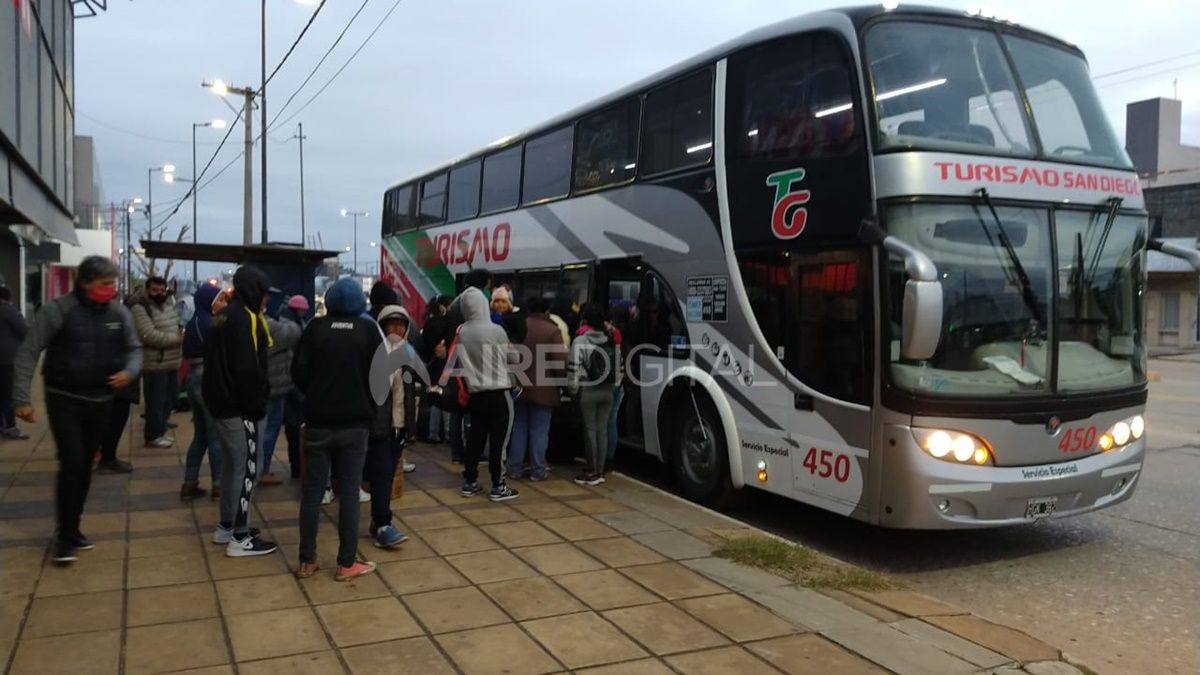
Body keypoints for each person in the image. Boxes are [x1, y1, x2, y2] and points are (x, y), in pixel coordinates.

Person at [13, 256, 142, 563]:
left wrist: (129, 371)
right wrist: (21, 399)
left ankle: (73, 526)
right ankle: (65, 535)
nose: (111, 289)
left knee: (84, 466)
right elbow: (28, 352)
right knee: (71, 461)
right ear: (85, 282)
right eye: (105, 284)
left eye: (113, 283)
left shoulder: (118, 313)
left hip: (101, 401)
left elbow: (134, 349)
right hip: (64, 398)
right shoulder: (57, 311)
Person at [291, 277, 383, 580]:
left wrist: (315, 394)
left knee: (313, 492)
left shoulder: (315, 328)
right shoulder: (368, 330)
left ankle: (307, 560)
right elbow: (381, 376)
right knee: (349, 492)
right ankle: (346, 562)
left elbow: (298, 371)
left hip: (318, 422)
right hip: (355, 424)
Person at [203, 267, 277, 557]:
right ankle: (241, 536)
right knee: (247, 468)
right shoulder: (245, 318)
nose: (267, 299)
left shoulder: (221, 315)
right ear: (253, 291)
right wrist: (257, 404)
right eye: (264, 293)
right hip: (239, 406)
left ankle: (227, 526)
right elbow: (247, 368)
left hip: (219, 402)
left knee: (231, 466)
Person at [452, 287, 519, 502]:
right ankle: (498, 485)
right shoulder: (496, 330)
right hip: (499, 395)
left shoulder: (462, 332)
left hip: (476, 396)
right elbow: (514, 358)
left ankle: (470, 481)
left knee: (475, 439)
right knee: (499, 442)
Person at [365, 304, 418, 549]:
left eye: (401, 324)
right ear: (382, 326)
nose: (397, 328)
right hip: (379, 426)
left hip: (399, 425)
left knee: (385, 476)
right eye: (391, 324)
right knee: (382, 475)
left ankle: (378, 522)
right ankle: (384, 524)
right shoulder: (375, 353)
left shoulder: (407, 352)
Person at [509, 296, 565, 481]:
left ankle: (515, 469)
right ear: (547, 311)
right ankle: (538, 470)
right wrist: (563, 385)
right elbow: (559, 363)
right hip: (544, 390)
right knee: (539, 431)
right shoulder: (552, 331)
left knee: (519, 428)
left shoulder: (520, 326)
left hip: (519, 387)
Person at [567, 304, 621, 486]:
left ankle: (591, 471)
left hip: (588, 390)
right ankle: (601, 470)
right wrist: (613, 386)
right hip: (608, 391)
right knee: (602, 430)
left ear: (586, 321)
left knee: (590, 431)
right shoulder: (611, 339)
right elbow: (619, 367)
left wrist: (573, 391)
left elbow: (573, 369)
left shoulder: (580, 341)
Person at [179, 283, 224, 500]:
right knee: (216, 437)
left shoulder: (194, 321)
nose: (222, 303)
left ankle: (190, 482)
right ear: (209, 301)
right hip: (207, 377)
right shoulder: (209, 323)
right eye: (219, 299)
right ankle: (219, 485)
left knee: (201, 436)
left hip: (193, 377)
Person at [445, 269, 492, 464]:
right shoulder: (476, 301)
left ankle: (457, 451)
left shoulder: (457, 302)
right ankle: (471, 451)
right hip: (470, 359)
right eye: (488, 283)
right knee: (471, 408)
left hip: (455, 356)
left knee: (457, 407)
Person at [94, 291, 143, 476]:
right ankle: (104, 456)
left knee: (115, 419)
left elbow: (134, 347)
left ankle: (107, 456)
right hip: (105, 378)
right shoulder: (97, 317)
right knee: (106, 420)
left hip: (121, 377)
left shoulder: (121, 315)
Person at [131, 276, 183, 449]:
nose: (159, 293)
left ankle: (160, 431)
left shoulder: (167, 304)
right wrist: (175, 339)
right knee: (156, 403)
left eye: (162, 290)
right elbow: (148, 335)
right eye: (154, 290)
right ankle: (153, 435)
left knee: (170, 399)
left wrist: (179, 333)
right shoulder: (140, 308)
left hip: (171, 362)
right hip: (155, 363)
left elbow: (174, 325)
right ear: (147, 290)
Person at [259, 304, 302, 486]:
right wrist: (285, 317)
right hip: (274, 386)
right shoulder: (267, 326)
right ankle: (262, 470)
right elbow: (294, 332)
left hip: (265, 386)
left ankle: (260, 467)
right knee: (270, 429)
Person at [281, 295, 310, 479]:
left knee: (292, 428)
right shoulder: (293, 327)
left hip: (289, 380)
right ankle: (297, 467)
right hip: (291, 381)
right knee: (294, 426)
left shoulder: (287, 322)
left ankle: (296, 467)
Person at [420, 295, 452, 443]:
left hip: (431, 364)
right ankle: (447, 432)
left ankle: (433, 432)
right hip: (443, 364)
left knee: (435, 399)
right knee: (445, 397)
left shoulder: (428, 321)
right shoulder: (444, 322)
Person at [0, 286, 30, 439]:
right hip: (7, 360)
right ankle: (10, 427)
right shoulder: (9, 311)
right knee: (7, 394)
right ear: (9, 298)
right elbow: (25, 332)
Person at [605, 305, 629, 474]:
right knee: (612, 421)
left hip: (606, 384)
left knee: (601, 423)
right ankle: (610, 460)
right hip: (619, 383)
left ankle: (600, 461)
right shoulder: (625, 334)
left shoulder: (608, 333)